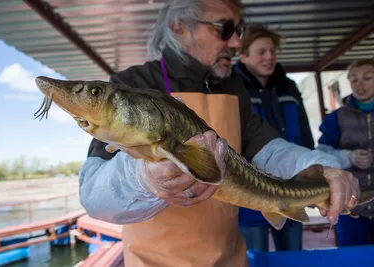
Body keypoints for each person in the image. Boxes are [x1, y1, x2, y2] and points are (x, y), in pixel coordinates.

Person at [79, 1, 360, 266]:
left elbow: (269, 149)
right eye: (224, 29)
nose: (237, 43)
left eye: (238, 31)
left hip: (230, 258)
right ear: (179, 27)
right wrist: (142, 178)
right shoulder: (132, 84)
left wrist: (320, 168)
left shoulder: (232, 86)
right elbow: (94, 197)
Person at [233, 24, 314, 251]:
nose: (270, 57)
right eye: (261, 52)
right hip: (251, 190)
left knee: (293, 255)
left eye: (273, 52)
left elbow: (305, 133)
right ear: (243, 55)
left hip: (291, 187)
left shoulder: (288, 87)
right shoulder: (232, 88)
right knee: (254, 255)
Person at [316, 58, 374, 247]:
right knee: (351, 255)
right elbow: (322, 155)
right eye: (354, 79)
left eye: (367, 77)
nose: (360, 84)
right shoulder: (336, 118)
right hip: (350, 202)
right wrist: (349, 157)